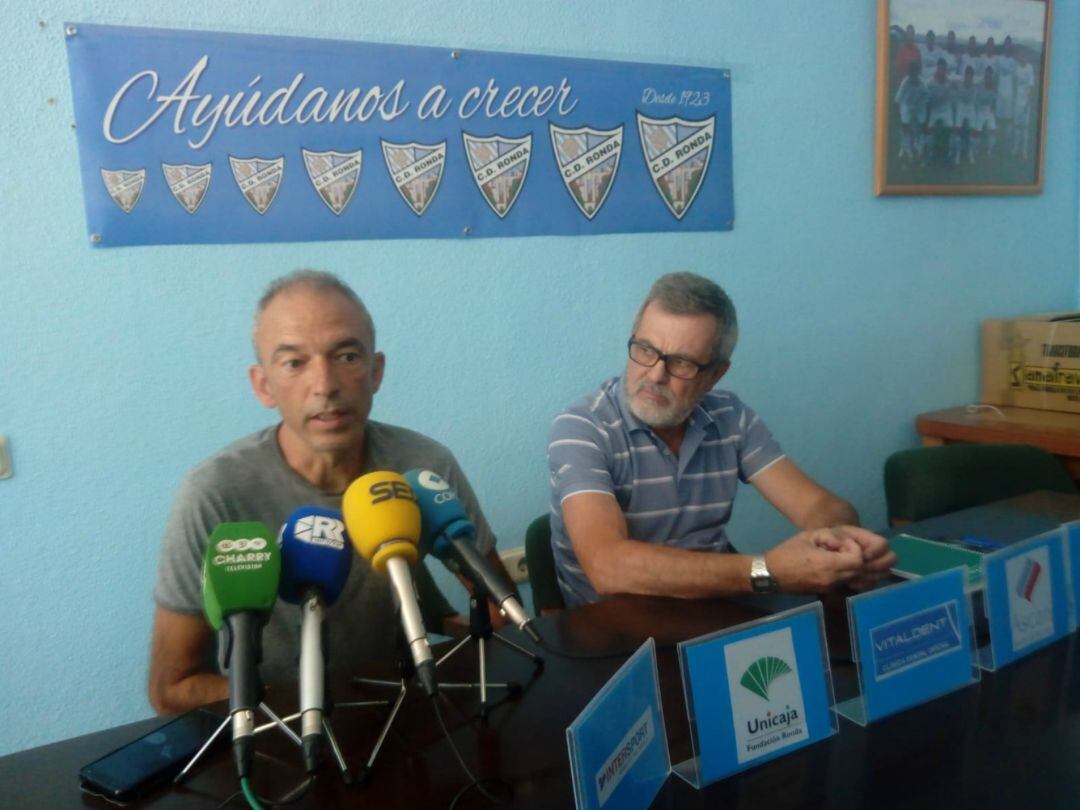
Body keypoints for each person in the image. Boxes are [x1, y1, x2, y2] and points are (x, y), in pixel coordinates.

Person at [148, 270, 504, 714]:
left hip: (397, 715)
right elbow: (171, 689)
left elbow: (499, 615)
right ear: (263, 385)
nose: (326, 385)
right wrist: (310, 705)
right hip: (272, 733)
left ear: (376, 372)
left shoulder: (424, 467)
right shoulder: (215, 494)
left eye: (347, 356)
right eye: (295, 362)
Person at [547, 273, 895, 608]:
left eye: (681, 363)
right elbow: (608, 566)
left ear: (715, 374)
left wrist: (839, 544)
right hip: (615, 632)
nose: (655, 375)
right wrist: (767, 571)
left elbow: (820, 506)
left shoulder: (730, 416)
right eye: (645, 349)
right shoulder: (583, 427)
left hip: (711, 612)